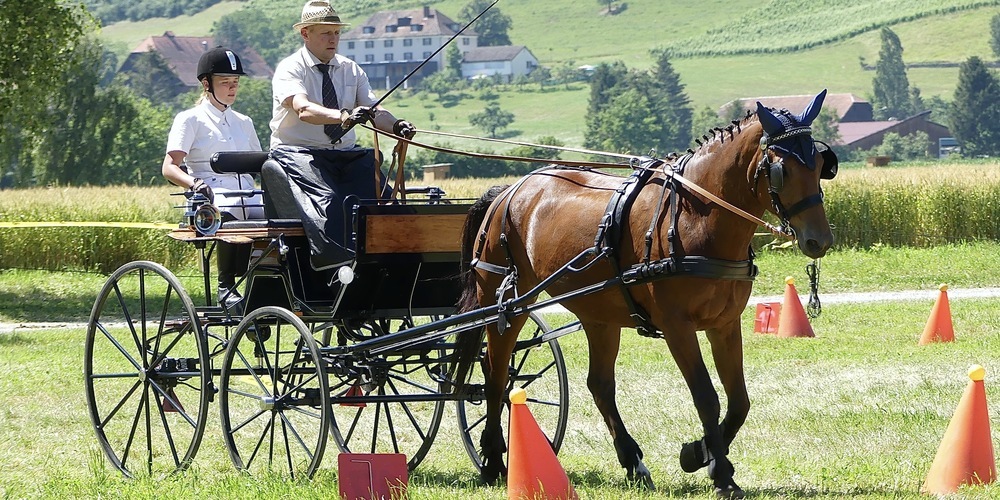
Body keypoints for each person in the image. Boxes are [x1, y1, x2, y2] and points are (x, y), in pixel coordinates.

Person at [268, 0, 415, 270]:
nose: (333, 38)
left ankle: (395, 263)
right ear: (305, 34)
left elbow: (374, 111)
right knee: (331, 202)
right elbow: (303, 109)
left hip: (344, 154)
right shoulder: (290, 69)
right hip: (297, 153)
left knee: (384, 200)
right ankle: (336, 268)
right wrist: (344, 116)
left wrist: (397, 126)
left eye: (336, 32)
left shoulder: (351, 69)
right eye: (325, 33)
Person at [162, 46, 265, 308]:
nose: (232, 88)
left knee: (281, 215)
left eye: (235, 82)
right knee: (228, 208)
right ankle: (226, 284)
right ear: (207, 84)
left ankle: (266, 283)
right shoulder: (189, 120)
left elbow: (260, 163)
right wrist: (195, 183)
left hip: (248, 193)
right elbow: (169, 167)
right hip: (211, 195)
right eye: (225, 82)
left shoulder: (244, 121)